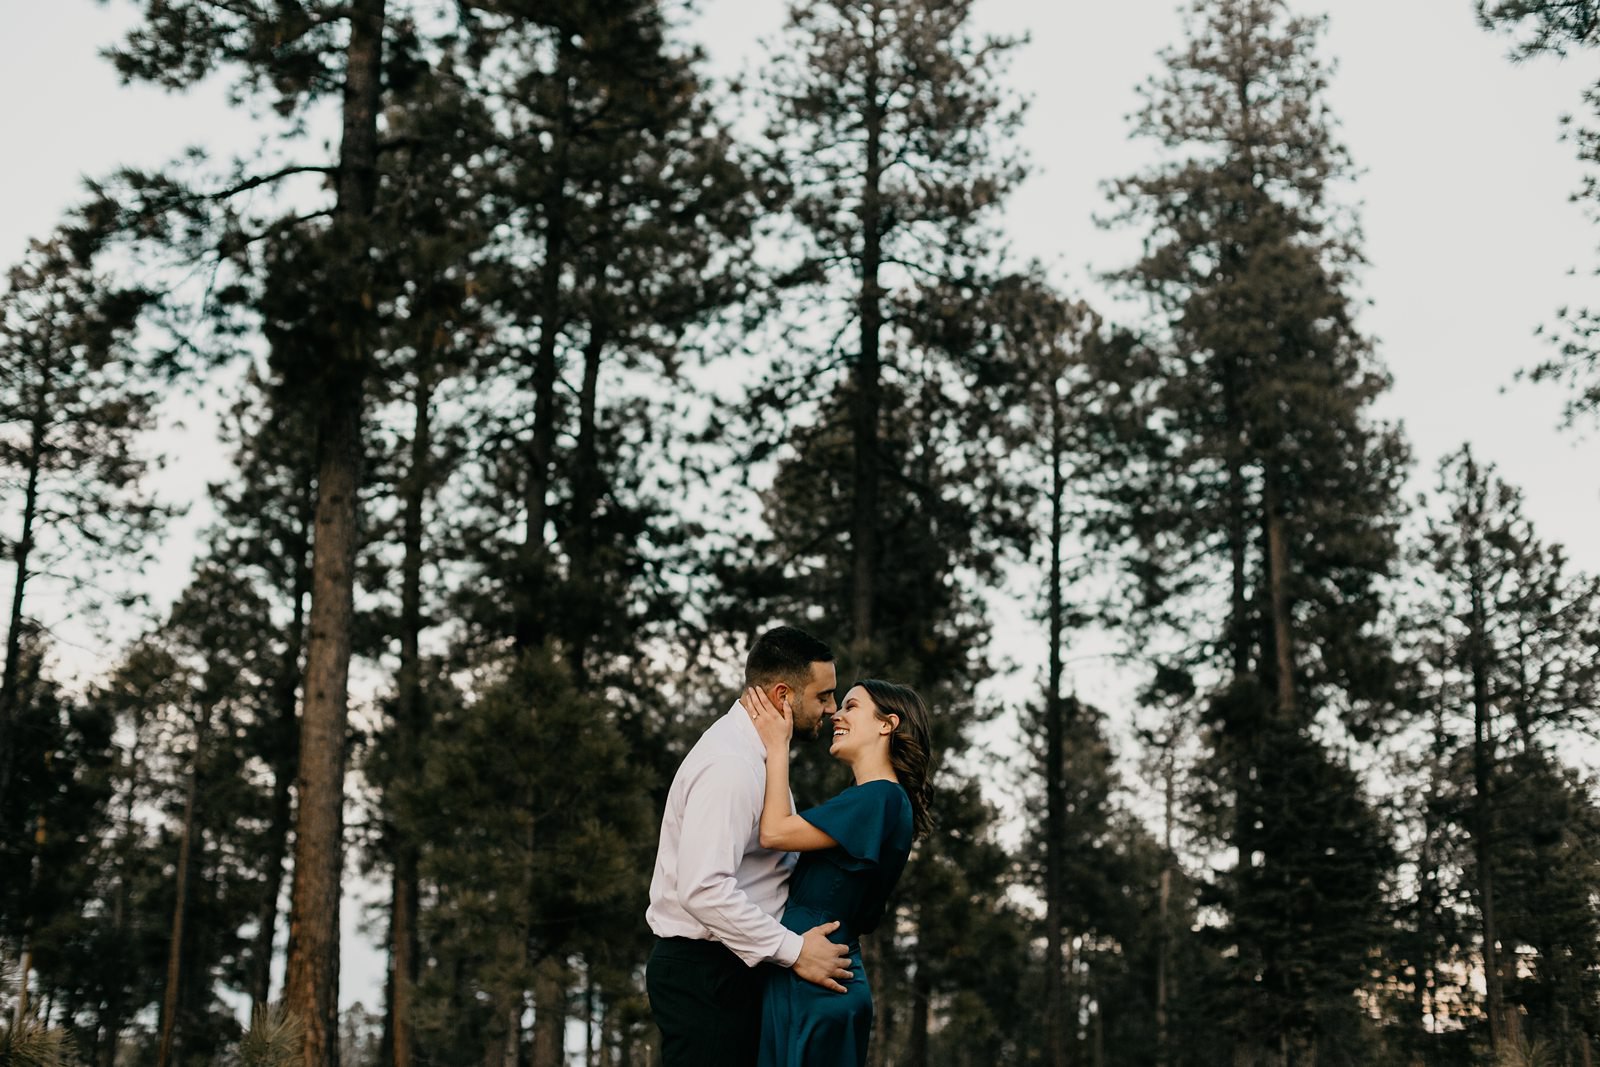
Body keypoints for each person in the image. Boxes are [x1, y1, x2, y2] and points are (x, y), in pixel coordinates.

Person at [645, 626, 854, 1067]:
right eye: (823, 696)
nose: (832, 709)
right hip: (708, 975)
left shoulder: (758, 753)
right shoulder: (731, 765)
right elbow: (702, 889)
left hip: (731, 967)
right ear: (783, 694)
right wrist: (795, 952)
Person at [742, 677, 934, 1067]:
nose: (836, 715)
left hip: (816, 984)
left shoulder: (878, 797)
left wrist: (777, 746)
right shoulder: (879, 801)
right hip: (819, 975)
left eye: (851, 706)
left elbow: (775, 831)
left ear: (887, 724)